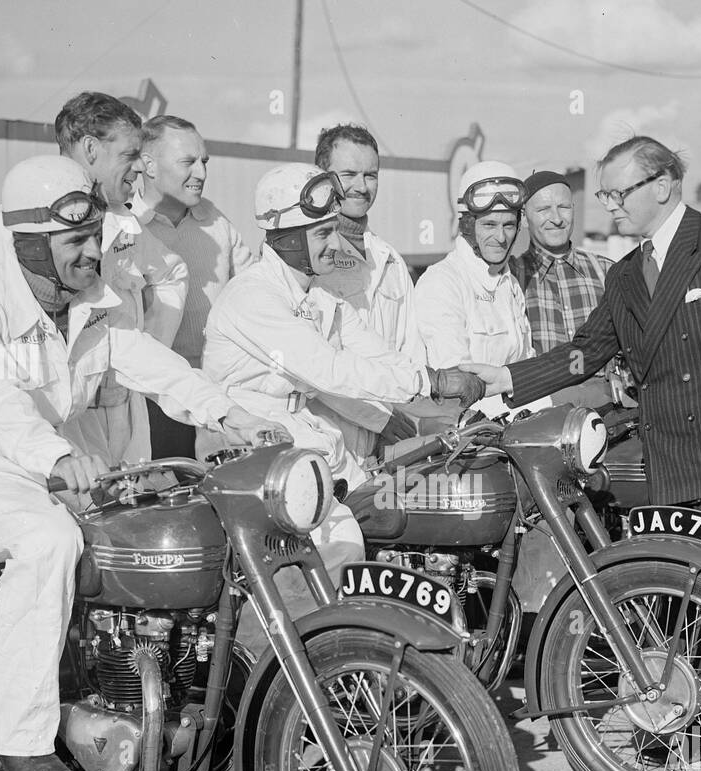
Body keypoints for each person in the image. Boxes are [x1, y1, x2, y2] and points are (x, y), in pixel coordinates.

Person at [0, 156, 281, 771]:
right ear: (31, 241)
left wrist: (228, 412)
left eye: (95, 235)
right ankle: (18, 740)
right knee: (48, 543)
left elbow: (146, 359)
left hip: (53, 464)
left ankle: (141, 705)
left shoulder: (91, 302)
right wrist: (56, 459)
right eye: (75, 241)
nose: (93, 251)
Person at [463, 136, 701, 637]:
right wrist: (508, 378)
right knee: (693, 615)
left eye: (617, 194)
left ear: (664, 185)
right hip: (669, 465)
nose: (609, 206)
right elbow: (587, 351)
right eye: (604, 196)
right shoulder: (625, 273)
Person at [199, 163, 486, 656]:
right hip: (248, 453)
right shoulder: (253, 296)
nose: (336, 244)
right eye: (323, 233)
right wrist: (429, 382)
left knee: (377, 525)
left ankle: (331, 665)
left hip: (302, 446)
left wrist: (438, 398)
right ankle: (264, 676)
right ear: (287, 235)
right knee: (304, 565)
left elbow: (374, 353)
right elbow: (328, 369)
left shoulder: (317, 296)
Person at [0, 92, 189, 465]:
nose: (140, 169)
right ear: (91, 148)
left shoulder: (125, 223)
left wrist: (140, 358)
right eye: (129, 155)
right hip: (62, 421)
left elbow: (173, 273)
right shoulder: (10, 227)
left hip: (125, 413)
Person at [131, 114, 258, 458]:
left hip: (220, 403)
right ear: (148, 165)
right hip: (150, 407)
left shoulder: (218, 223)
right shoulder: (124, 229)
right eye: (188, 162)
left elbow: (256, 297)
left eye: (204, 162)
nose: (201, 174)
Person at [310, 122, 427, 456]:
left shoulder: (389, 260)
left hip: (393, 439)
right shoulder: (310, 259)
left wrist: (401, 421)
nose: (361, 187)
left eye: (371, 175)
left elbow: (409, 351)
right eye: (349, 174)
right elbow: (317, 364)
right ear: (321, 175)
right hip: (328, 436)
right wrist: (378, 419)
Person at [414, 161, 536, 416]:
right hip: (471, 437)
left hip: (518, 426)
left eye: (509, 225)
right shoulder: (442, 282)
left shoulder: (510, 283)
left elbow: (525, 367)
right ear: (468, 226)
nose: (501, 238)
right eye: (489, 225)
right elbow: (458, 389)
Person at [511, 170, 618, 408]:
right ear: (525, 218)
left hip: (609, 414)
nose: (556, 218)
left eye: (564, 207)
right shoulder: (512, 278)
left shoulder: (607, 271)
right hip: (545, 417)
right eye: (543, 210)